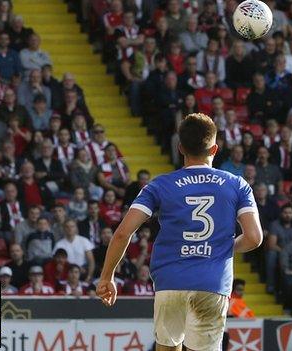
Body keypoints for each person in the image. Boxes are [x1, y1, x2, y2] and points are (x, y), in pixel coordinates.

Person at [96, 113, 263, 351]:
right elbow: (254, 238)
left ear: (180, 148)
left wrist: (107, 276)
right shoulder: (237, 185)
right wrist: (224, 247)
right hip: (212, 283)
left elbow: (123, 233)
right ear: (214, 149)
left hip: (170, 282)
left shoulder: (159, 185)